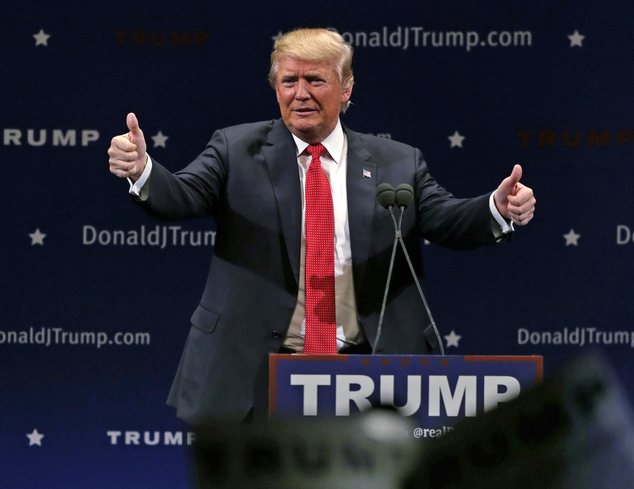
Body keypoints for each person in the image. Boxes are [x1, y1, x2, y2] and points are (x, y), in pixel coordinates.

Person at [108, 28, 535, 424]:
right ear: (276, 88)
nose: (300, 94)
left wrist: (496, 207)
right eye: (289, 81)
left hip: (366, 376)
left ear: (346, 89)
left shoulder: (397, 161)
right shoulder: (235, 149)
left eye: (315, 80)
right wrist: (143, 169)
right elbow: (181, 194)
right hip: (256, 373)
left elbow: (447, 219)